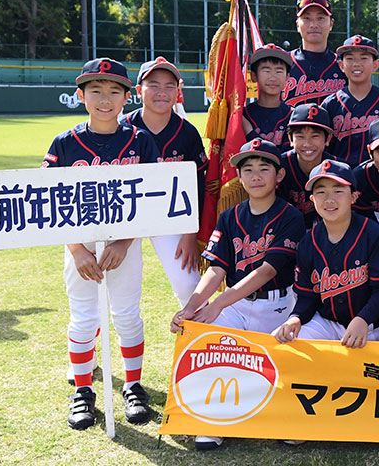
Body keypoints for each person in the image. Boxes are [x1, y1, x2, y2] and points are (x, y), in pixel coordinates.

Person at [42, 58, 160, 430]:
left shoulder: (140, 141)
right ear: (81, 95)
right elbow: (47, 202)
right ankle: (83, 391)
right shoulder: (64, 143)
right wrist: (78, 250)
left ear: (127, 97)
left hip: (124, 244)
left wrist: (124, 242)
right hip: (78, 243)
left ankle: (133, 386)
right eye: (95, 90)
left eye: (113, 91)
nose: (104, 99)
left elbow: (154, 200)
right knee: (84, 318)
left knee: (126, 314)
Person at [171, 139, 306, 450]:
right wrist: (192, 307)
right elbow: (216, 269)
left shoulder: (290, 216)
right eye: (248, 170)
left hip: (278, 304)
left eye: (264, 169)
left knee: (281, 364)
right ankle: (213, 418)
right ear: (239, 178)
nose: (256, 176)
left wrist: (217, 304)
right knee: (209, 346)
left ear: (279, 175)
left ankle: (284, 417)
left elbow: (267, 271)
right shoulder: (230, 216)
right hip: (237, 303)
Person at [272, 159, 379, 349]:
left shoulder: (373, 234)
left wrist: (363, 319)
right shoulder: (308, 242)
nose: (329, 199)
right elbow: (307, 296)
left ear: (353, 197)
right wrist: (295, 317)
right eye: (321, 192)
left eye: (338, 191)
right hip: (326, 323)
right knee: (285, 344)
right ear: (312, 199)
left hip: (370, 323)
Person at [124, 57, 207, 308]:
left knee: (188, 284)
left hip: (170, 215)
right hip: (125, 214)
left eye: (169, 86)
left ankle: (195, 332)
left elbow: (198, 184)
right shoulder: (121, 127)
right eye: (154, 85)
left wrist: (191, 234)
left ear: (178, 91)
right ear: (139, 91)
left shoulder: (186, 131)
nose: (162, 92)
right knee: (117, 290)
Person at [321, 35, 379, 168]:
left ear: (375, 65)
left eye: (364, 58)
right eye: (350, 58)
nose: (356, 64)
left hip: (377, 173)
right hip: (339, 173)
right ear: (341, 65)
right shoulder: (330, 104)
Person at [277, 104, 335, 229]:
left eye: (315, 136)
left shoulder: (338, 169)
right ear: (290, 139)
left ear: (327, 139)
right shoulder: (279, 166)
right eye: (300, 137)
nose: (307, 144)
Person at [283, 0, 344, 106]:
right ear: (297, 25)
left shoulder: (343, 66)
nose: (314, 25)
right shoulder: (282, 63)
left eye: (320, 18)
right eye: (307, 18)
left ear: (331, 24)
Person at [243, 44, 294, 151]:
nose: (273, 77)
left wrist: (249, 132)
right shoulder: (244, 115)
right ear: (254, 76)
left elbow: (286, 156)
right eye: (266, 71)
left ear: (287, 77)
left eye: (279, 71)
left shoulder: (293, 116)